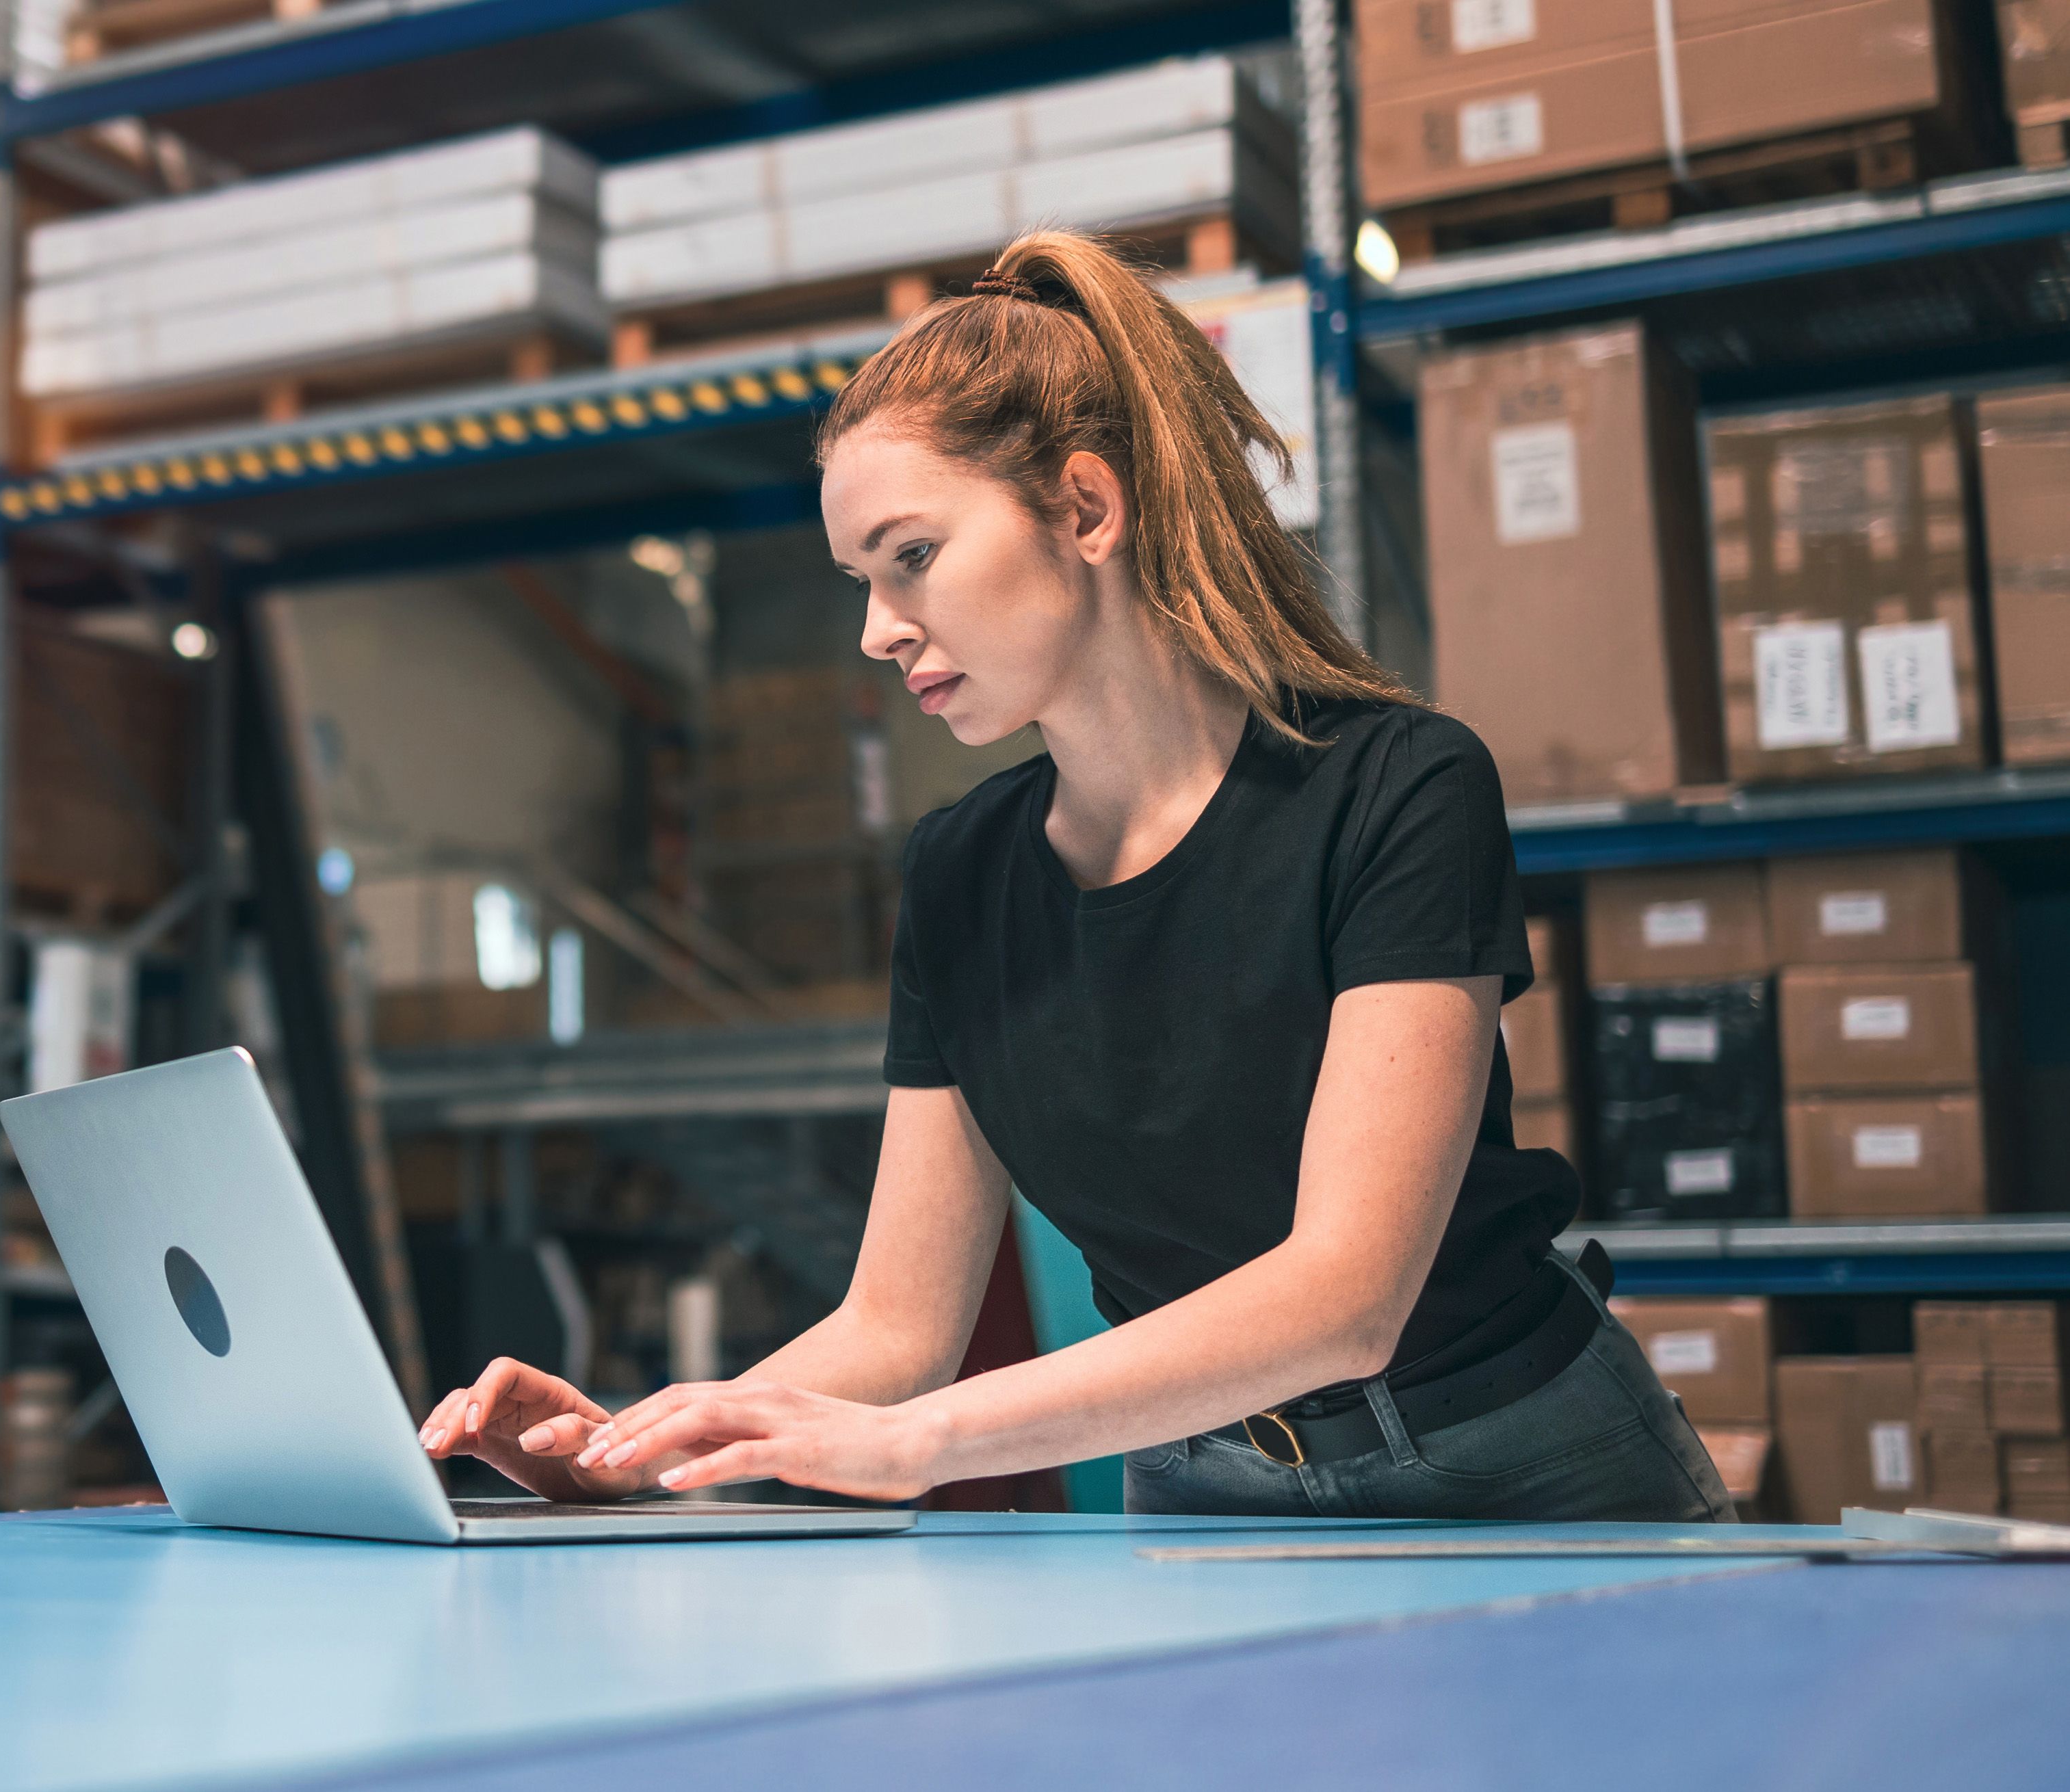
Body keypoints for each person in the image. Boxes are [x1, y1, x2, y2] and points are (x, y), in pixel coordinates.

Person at [417, 230, 1733, 1523]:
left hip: (1519, 1467)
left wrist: (918, 1442)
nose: (879, 631)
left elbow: (1348, 1296)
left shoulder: (1397, 788)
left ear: (1085, 509)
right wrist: (646, 1449)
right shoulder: (956, 875)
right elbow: (893, 1326)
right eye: (858, 581)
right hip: (1202, 1484)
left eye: (911, 557)